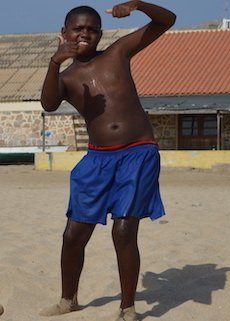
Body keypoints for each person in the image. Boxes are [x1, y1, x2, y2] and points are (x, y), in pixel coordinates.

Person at [38, 1, 174, 321]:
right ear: (64, 33)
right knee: (74, 234)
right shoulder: (67, 76)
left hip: (138, 152)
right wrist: (55, 62)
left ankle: (127, 308)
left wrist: (138, 5)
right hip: (97, 159)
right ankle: (68, 299)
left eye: (91, 29)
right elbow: (48, 103)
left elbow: (166, 21)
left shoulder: (117, 53)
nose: (84, 33)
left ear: (100, 33)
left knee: (124, 230)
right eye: (77, 28)